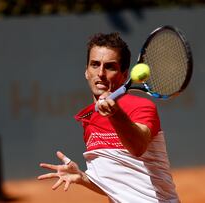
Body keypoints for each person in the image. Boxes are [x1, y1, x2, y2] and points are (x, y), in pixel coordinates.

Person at [38, 32, 180, 203]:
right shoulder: (90, 119)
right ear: (86, 71)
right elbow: (115, 186)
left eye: (110, 67)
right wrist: (83, 178)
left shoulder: (141, 107)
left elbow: (138, 146)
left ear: (124, 74)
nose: (101, 73)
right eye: (95, 65)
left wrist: (116, 114)